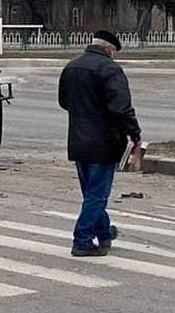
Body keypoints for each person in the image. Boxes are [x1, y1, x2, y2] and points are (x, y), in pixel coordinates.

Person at [58, 29, 142, 257]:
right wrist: (135, 135)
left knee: (91, 194)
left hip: (77, 140)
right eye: (114, 52)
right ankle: (82, 240)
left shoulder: (72, 67)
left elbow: (64, 101)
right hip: (104, 142)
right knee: (97, 195)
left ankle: (104, 234)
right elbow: (121, 108)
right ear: (109, 49)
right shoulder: (110, 69)